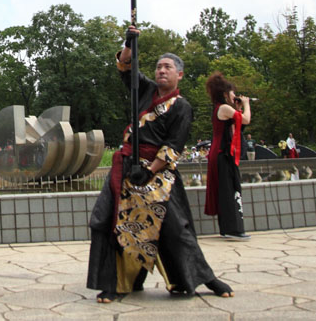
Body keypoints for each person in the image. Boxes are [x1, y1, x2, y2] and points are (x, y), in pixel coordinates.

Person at [87, 26, 233, 303]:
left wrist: (150, 170)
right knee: (105, 221)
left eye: (167, 67)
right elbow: (125, 67)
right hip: (126, 166)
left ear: (179, 74)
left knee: (176, 229)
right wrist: (129, 41)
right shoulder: (146, 90)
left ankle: (203, 277)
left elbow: (174, 145)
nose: (161, 71)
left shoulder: (182, 106)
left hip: (157, 174)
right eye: (158, 67)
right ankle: (115, 283)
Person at [204, 72, 251, 239]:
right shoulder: (223, 108)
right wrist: (246, 104)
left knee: (228, 190)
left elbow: (237, 125)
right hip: (222, 154)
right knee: (228, 190)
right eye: (232, 92)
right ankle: (233, 229)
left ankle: (229, 228)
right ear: (225, 93)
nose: (235, 95)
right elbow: (245, 120)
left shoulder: (222, 108)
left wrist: (237, 108)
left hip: (222, 154)